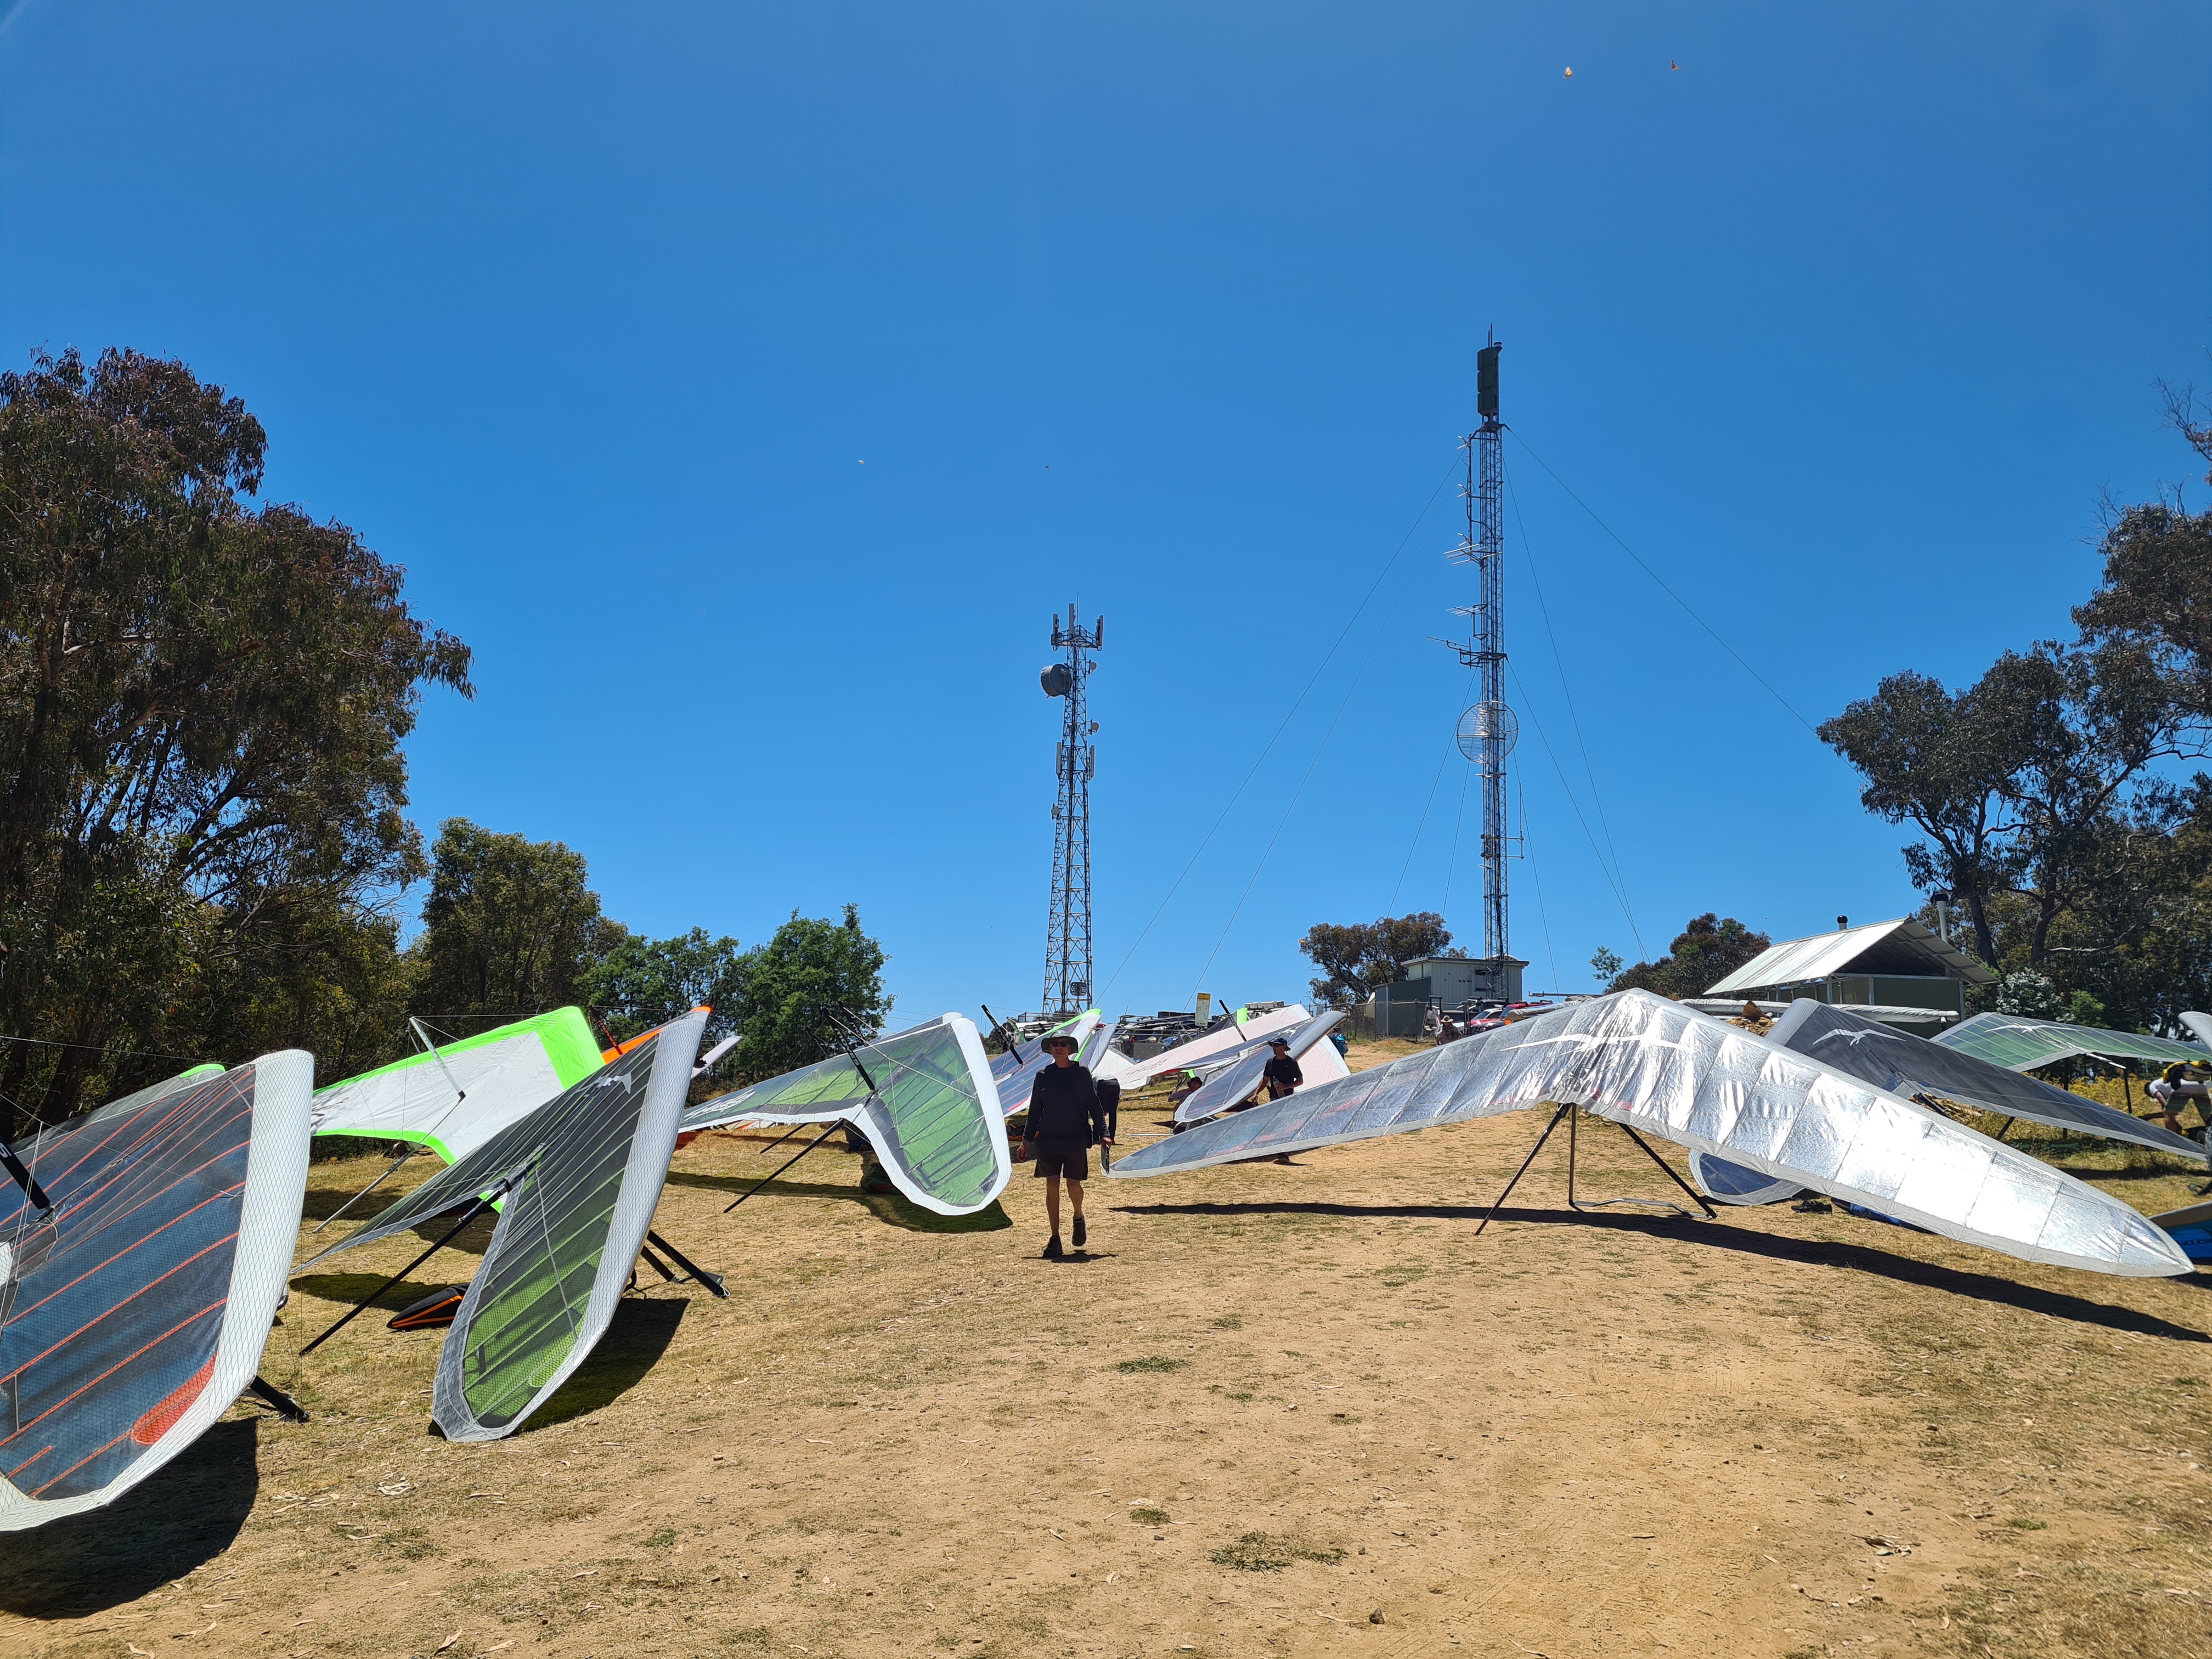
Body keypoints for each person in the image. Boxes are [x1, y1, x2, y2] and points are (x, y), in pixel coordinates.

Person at [1022, 1030, 1111, 1258]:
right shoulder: (1043, 1075)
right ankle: (1055, 1239)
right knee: (1052, 1184)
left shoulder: (1081, 1074)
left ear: (1070, 1050)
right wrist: (1025, 1140)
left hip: (1075, 1138)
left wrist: (1104, 1133)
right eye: (1055, 1044)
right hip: (1048, 1139)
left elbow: (1094, 1105)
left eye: (1063, 1044)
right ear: (1051, 1050)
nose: (1059, 1047)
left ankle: (1078, 1217)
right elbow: (1035, 1110)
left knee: (1073, 1185)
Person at [2151, 1060, 2212, 1139]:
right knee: (2206, 1116)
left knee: (2169, 1114)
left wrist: (2170, 1110)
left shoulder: (2152, 1086)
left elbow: (2160, 1097)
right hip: (2201, 1086)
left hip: (2183, 1085)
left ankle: (2173, 1139)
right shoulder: (2194, 1068)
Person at [1262, 1036, 1304, 1102]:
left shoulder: (1291, 1062)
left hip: (1288, 1098)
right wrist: (1256, 1094)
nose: (1274, 1048)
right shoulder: (1270, 1062)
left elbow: (1300, 1081)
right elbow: (1265, 1081)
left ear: (1284, 1047)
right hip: (1274, 1098)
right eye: (1273, 1046)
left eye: (1276, 1045)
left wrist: (1285, 1087)